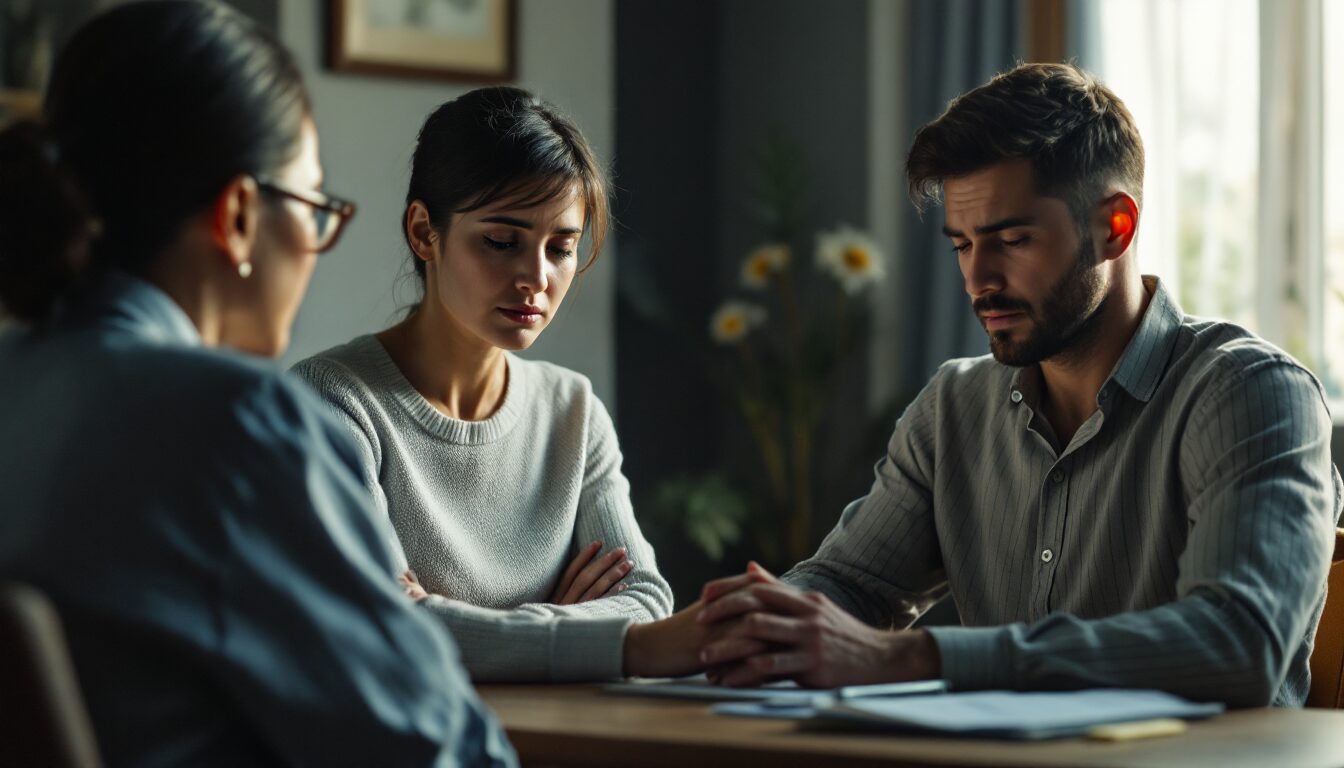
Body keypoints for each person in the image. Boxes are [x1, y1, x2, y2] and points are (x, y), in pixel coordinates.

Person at [640, 62, 1343, 707]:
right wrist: (766, 623)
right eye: (962, 244)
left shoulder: (1250, 393)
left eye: (1011, 240)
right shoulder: (953, 409)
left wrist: (914, 657)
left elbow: (1237, 643)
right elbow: (850, 585)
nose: (979, 280)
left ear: (1115, 227)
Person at [0, 2, 515, 764]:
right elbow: (437, 752)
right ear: (240, 214)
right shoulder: (237, 425)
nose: (314, 247)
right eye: (312, 207)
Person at [291, 87, 673, 682]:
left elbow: (646, 601)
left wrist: (479, 630)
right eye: (502, 241)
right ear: (424, 231)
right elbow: (384, 626)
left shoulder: (573, 411)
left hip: (564, 730)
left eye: (562, 248)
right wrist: (574, 630)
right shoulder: (332, 403)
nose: (536, 277)